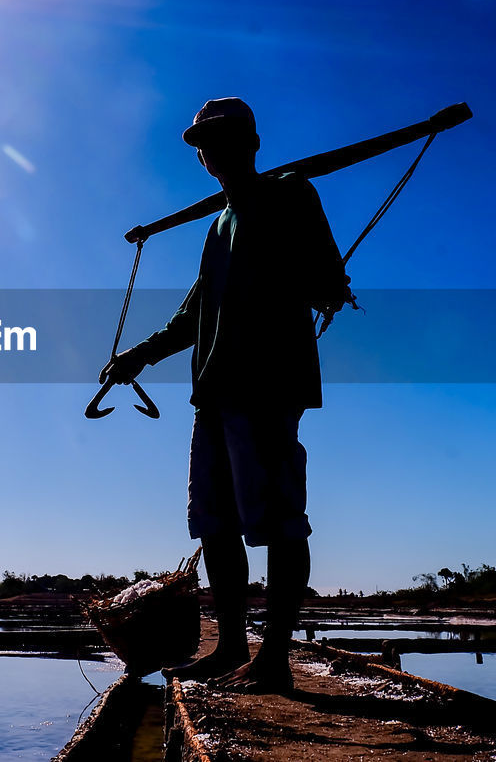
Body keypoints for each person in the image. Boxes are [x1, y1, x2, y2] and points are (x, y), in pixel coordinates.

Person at [100, 97, 350, 694]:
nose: (211, 151)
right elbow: (190, 318)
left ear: (252, 143)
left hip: (268, 382)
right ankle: (233, 646)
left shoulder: (291, 193)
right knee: (214, 521)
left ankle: (275, 659)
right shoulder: (217, 227)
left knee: (280, 521)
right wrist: (134, 357)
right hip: (211, 393)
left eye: (223, 138)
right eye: (203, 143)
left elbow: (328, 282)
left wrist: (312, 280)